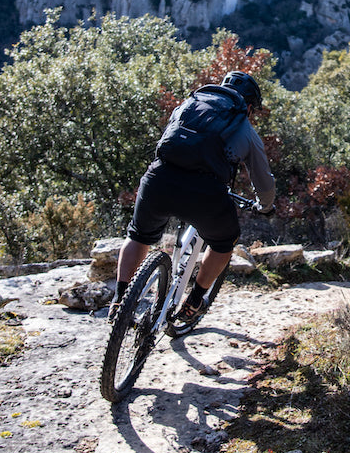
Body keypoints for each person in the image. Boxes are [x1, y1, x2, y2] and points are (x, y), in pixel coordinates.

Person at [112, 71, 275, 322]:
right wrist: (265, 206)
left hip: (159, 178)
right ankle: (195, 301)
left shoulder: (188, 105)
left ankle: (120, 301)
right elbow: (263, 181)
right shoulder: (244, 128)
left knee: (138, 236)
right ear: (250, 106)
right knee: (223, 243)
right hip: (204, 193)